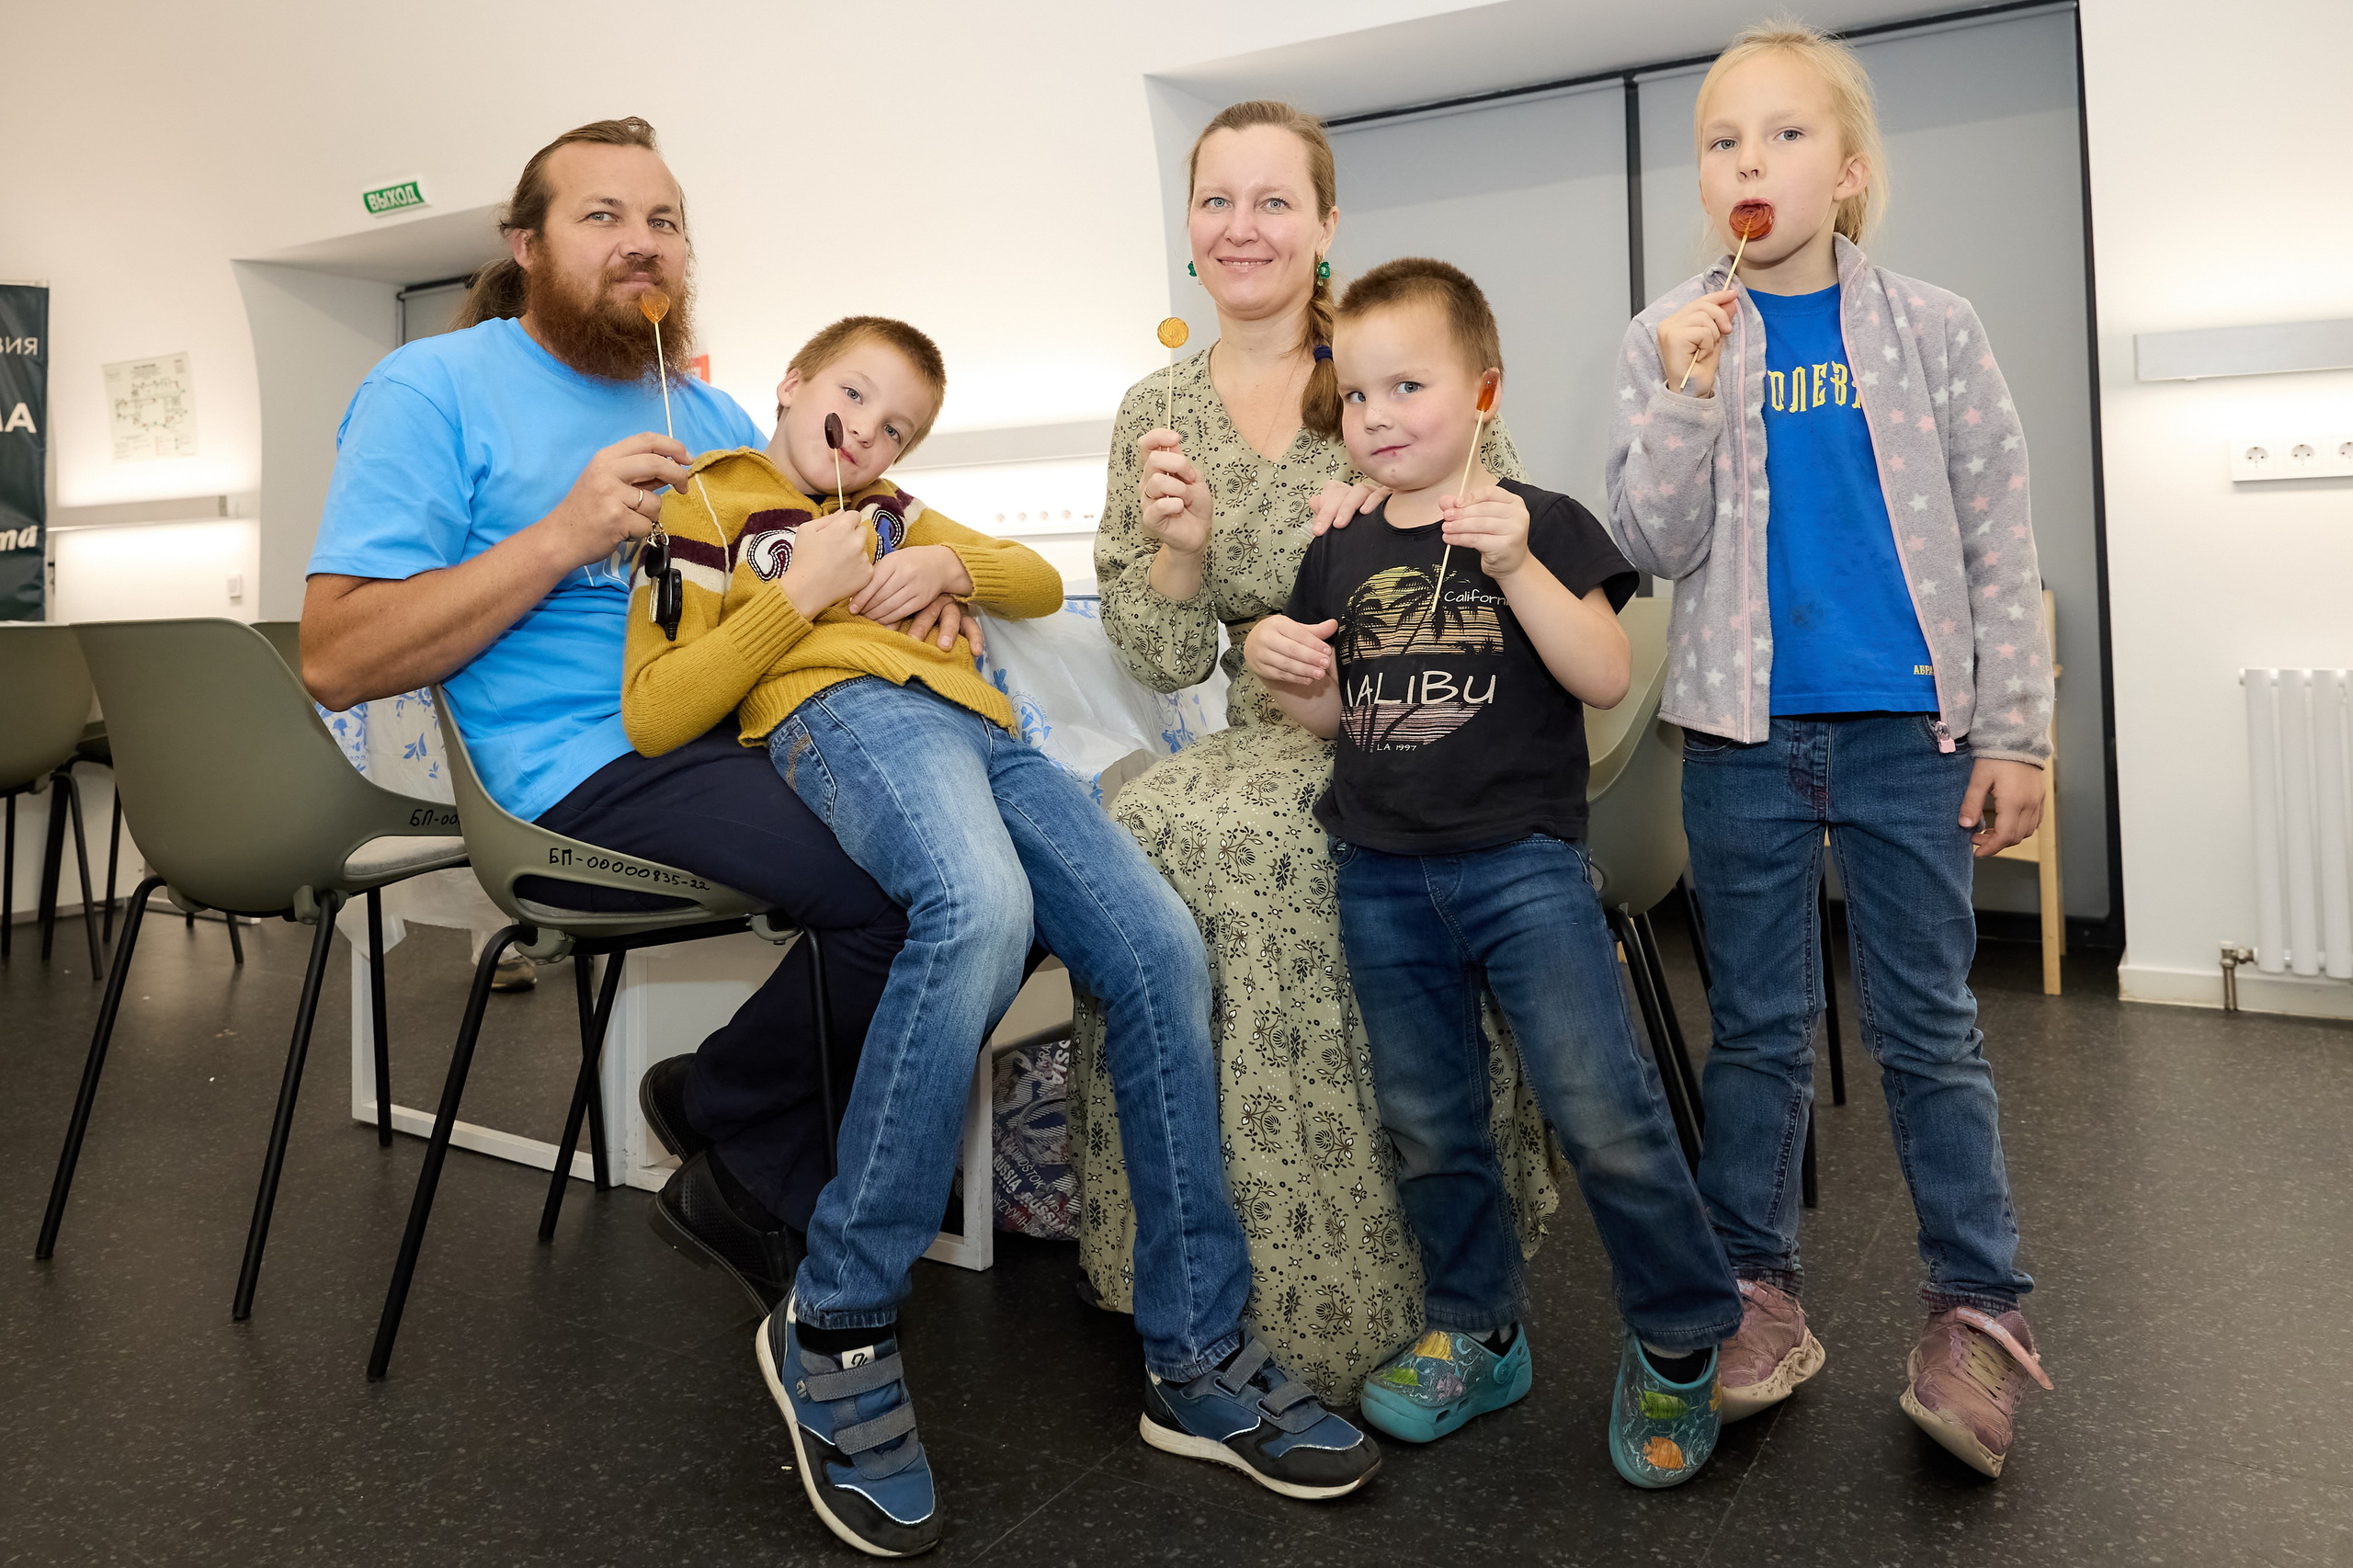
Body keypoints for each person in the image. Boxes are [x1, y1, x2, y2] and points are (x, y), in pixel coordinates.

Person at [621, 314, 1381, 1556]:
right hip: (844, 712)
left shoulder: (896, 508)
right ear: (793, 383)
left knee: (1158, 950)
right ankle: (839, 1315)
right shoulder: (706, 504)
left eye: (898, 426)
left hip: (989, 731)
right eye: (854, 399)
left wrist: (946, 569)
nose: (867, 434)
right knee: (980, 913)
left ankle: (1193, 1354)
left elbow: (1031, 580)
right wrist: (797, 600)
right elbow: (656, 708)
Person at [301, 118, 924, 1315]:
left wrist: (918, 565)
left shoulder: (716, 419)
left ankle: (723, 1114)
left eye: (665, 221)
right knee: (919, 886)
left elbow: (782, 598)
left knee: (1002, 861)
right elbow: (335, 657)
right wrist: (564, 536)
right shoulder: (432, 387)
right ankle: (755, 1165)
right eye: (603, 217)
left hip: (727, 742)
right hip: (566, 773)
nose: (642, 244)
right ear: (526, 245)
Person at [1608, 21, 2056, 1479]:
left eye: (1786, 135)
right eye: (1723, 141)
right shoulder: (1670, 334)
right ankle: (1755, 1292)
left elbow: (1999, 539)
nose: (1750, 160)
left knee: (1929, 1026)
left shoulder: (1934, 326)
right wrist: (1680, 393)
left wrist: (2018, 733)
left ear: (1848, 173)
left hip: (1907, 735)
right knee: (1756, 1029)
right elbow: (1647, 542)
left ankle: (1977, 1314)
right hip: (1739, 737)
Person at [1074, 98, 1562, 1403]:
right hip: (1253, 726)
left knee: (1283, 846)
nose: (1244, 228)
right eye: (1218, 201)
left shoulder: (1388, 360)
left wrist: (1396, 538)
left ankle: (1378, 1288)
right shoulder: (1156, 408)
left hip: (1420, 729)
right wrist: (1186, 556)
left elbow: (1507, 553)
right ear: (1188, 226)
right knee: (1135, 835)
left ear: (1328, 225)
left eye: (1275, 201)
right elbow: (1166, 656)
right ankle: (1188, 1275)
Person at [1246, 258, 1742, 1488]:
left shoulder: (1545, 518)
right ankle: (1479, 1328)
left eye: (1407, 384)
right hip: (1381, 871)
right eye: (1356, 394)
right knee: (1429, 1124)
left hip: (1521, 866)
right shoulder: (1341, 546)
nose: (1378, 415)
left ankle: (1681, 1340)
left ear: (1484, 391)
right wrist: (1293, 680)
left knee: (1604, 1111)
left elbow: (1606, 675)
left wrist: (1518, 563)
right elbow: (1339, 718)